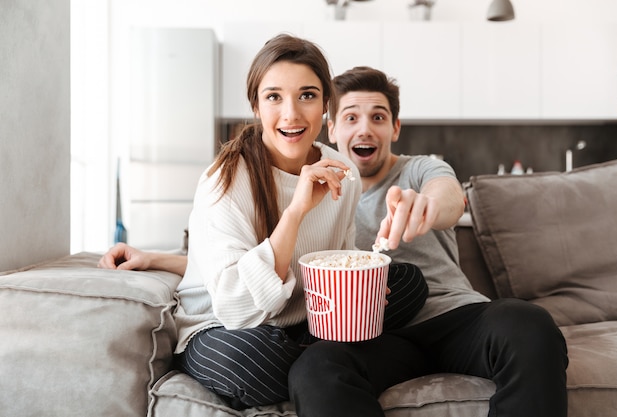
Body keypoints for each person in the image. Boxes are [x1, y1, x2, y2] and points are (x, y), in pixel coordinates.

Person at [100, 63, 569, 416]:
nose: (365, 128)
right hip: (370, 331)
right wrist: (158, 258)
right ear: (330, 125)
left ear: (395, 128)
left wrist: (428, 206)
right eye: (351, 117)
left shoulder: (419, 169)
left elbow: (450, 197)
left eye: (378, 117)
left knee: (525, 323)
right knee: (316, 369)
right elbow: (244, 266)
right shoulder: (323, 187)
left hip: (450, 316)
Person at [102, 35, 427, 414]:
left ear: (326, 105)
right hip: (222, 326)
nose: (291, 114)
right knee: (253, 361)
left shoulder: (344, 172)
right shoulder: (225, 179)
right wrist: (296, 211)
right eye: (274, 97)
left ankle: (325, 359)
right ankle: (340, 360)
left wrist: (359, 289)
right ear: (256, 105)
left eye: (307, 95)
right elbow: (235, 308)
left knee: (406, 283)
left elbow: (337, 258)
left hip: (305, 319)